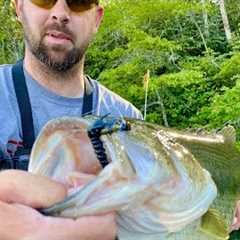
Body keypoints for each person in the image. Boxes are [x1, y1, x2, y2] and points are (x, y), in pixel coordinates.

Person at [0, 0, 142, 239]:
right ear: (19, 7)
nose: (60, 13)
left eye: (79, 2)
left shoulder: (128, 120)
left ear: (97, 18)